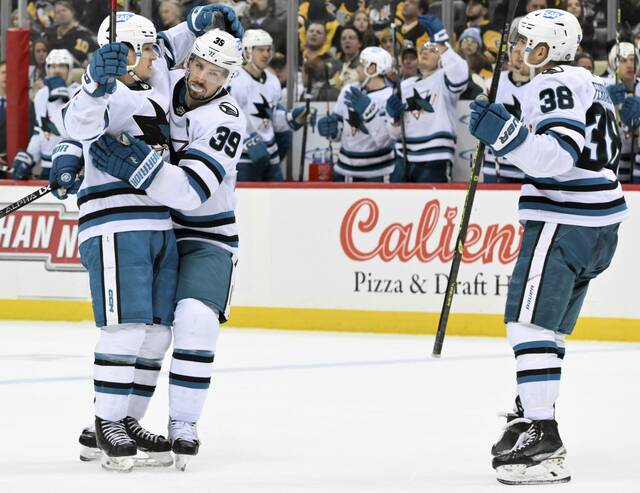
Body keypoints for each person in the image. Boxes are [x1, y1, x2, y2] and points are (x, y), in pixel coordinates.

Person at [57, 6, 242, 471]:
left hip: (195, 228)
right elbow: (82, 118)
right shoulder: (138, 82)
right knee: (129, 326)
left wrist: (200, 19)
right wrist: (80, 120)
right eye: (197, 64)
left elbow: (192, 193)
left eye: (216, 71)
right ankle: (109, 419)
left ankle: (161, 422)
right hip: (131, 221)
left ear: (229, 77)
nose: (200, 74)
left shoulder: (218, 112)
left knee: (168, 328)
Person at [468, 9, 627, 485]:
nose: (514, 50)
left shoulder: (550, 83)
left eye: (522, 43)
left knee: (527, 321)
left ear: (543, 51)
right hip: (600, 225)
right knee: (548, 329)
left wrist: (504, 135)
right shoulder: (589, 81)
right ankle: (530, 409)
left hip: (565, 220)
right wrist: (515, 125)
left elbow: (557, 158)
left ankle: (542, 435)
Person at [385, 15, 468, 182]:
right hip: (404, 157)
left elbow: (460, 76)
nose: (425, 51)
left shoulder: (445, 77)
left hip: (435, 157)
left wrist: (442, 44)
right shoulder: (405, 85)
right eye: (423, 49)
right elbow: (393, 134)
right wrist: (394, 119)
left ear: (441, 59)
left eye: (432, 50)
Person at [230, 29, 313, 181]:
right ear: (247, 51)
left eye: (269, 49)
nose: (266, 54)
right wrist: (247, 142)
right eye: (261, 50)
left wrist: (290, 119)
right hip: (242, 159)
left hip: (271, 156)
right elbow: (226, 122)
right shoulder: (234, 81)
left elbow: (270, 119)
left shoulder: (273, 80)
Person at [317, 46, 395, 182]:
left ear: (372, 69)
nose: (356, 68)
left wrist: (369, 112)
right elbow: (341, 131)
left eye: (361, 64)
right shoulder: (349, 89)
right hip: (343, 171)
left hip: (378, 175)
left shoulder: (389, 97)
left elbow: (384, 141)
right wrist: (332, 131)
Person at [12, 49, 76, 181]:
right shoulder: (41, 94)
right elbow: (41, 130)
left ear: (69, 69)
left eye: (62, 66)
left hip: (73, 166)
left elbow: (72, 131)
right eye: (52, 66)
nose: (57, 70)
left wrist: (61, 95)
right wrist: (29, 156)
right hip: (47, 167)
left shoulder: (78, 92)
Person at [482, 23, 530, 183]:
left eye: (521, 51)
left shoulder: (540, 85)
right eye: (514, 50)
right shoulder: (493, 83)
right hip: (495, 165)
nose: (518, 54)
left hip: (528, 166)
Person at [604, 42, 640, 183]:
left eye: (633, 59)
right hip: (611, 158)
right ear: (614, 63)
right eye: (624, 60)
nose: (629, 64)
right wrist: (605, 102)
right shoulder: (602, 86)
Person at [43, 0, 98, 67]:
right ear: (55, 17)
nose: (61, 14)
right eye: (58, 12)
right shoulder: (49, 34)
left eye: (64, 10)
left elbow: (95, 53)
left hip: (77, 72)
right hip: (53, 70)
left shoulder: (84, 34)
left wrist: (89, 62)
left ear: (72, 12)